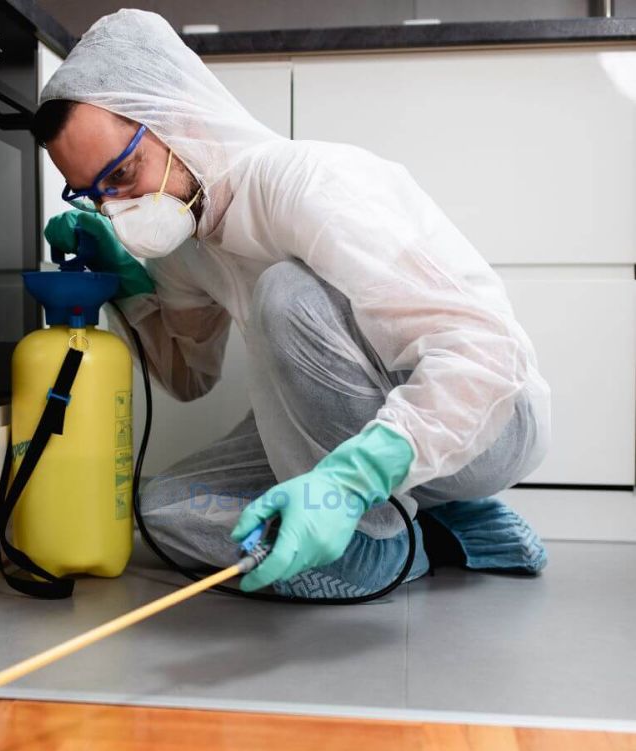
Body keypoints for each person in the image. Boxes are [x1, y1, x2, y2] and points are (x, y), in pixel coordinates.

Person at [32, 9, 551, 599]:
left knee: (286, 293)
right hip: (351, 435)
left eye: (123, 175)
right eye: (94, 195)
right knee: (165, 510)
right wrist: (127, 282)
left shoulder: (307, 183)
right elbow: (188, 377)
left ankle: (383, 543)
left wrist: (349, 482)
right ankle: (439, 527)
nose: (117, 210)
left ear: (177, 116)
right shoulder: (184, 242)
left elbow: (486, 353)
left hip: (489, 419)